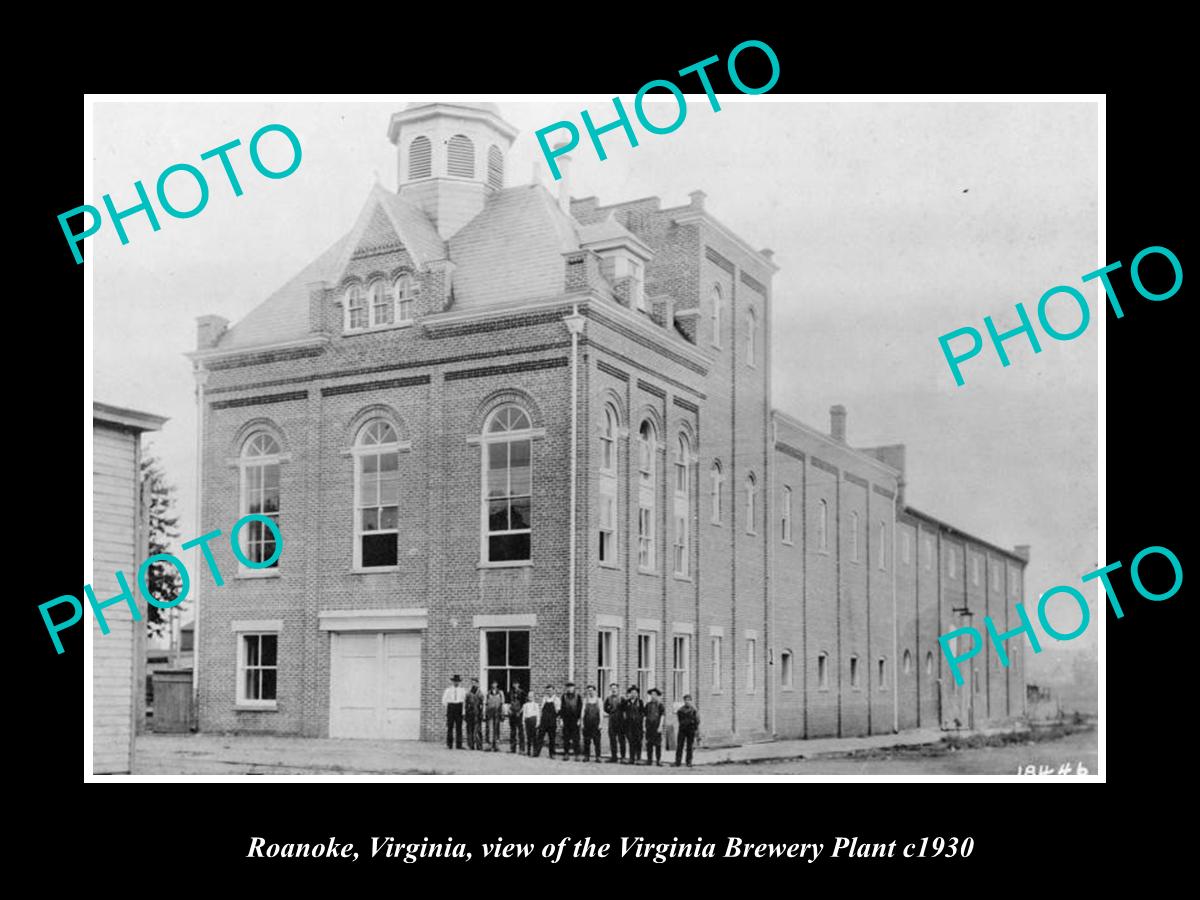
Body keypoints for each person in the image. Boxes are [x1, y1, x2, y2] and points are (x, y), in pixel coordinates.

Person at [674, 694, 700, 768]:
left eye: (689, 700)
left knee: (690, 746)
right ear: (684, 701)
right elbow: (679, 720)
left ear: (691, 701)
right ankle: (678, 761)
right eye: (686, 700)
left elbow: (697, 720)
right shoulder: (680, 710)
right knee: (680, 746)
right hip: (682, 729)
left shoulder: (694, 710)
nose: (687, 701)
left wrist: (695, 729)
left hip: (691, 729)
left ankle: (689, 762)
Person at [559, 682, 583, 761]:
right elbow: (562, 708)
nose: (570, 689)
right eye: (568, 687)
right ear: (566, 688)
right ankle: (566, 754)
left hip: (575, 720)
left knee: (576, 738)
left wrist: (579, 719)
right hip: (566, 720)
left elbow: (580, 708)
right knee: (566, 738)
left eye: (571, 687)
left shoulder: (578, 697)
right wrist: (561, 719)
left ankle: (577, 754)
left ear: (574, 688)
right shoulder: (564, 697)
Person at [536, 684, 561, 759]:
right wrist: (540, 721)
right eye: (547, 691)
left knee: (552, 738)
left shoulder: (557, 699)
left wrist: (557, 723)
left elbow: (558, 712)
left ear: (553, 690)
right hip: (544, 721)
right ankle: (537, 752)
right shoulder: (544, 698)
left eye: (550, 690)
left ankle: (552, 754)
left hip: (552, 721)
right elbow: (541, 710)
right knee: (540, 737)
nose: (548, 692)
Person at [643, 687, 665, 766]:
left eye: (655, 695)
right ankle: (649, 760)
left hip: (656, 727)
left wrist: (660, 726)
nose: (653, 696)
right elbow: (645, 716)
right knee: (649, 744)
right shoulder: (647, 705)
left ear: (657, 696)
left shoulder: (660, 705)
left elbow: (662, 716)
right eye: (652, 694)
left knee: (658, 744)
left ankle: (658, 760)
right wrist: (644, 726)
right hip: (649, 727)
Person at [442, 674, 465, 749]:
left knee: (459, 727)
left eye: (457, 681)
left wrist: (463, 711)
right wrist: (448, 708)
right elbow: (444, 700)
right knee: (450, 726)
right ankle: (449, 744)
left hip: (459, 707)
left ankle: (459, 745)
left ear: (459, 682)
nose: (456, 683)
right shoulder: (448, 690)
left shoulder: (462, 690)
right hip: (451, 707)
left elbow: (464, 701)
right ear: (452, 682)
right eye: (455, 681)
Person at [603, 683, 625, 763]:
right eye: (612, 688)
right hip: (612, 721)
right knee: (612, 739)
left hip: (620, 721)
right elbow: (605, 708)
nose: (613, 690)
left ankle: (623, 757)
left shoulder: (622, 699)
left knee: (621, 739)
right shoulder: (608, 699)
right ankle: (614, 757)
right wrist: (610, 711)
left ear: (618, 689)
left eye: (615, 688)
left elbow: (625, 709)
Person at [623, 685, 645, 765]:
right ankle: (631, 758)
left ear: (638, 694)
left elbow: (643, 714)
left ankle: (638, 758)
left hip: (638, 726)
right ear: (630, 693)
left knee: (638, 741)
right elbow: (623, 713)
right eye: (632, 692)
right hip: (629, 725)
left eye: (635, 692)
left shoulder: (640, 702)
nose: (634, 694)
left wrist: (643, 725)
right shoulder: (626, 702)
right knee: (631, 742)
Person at [581, 685, 603, 762]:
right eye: (589, 690)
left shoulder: (598, 700)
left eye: (591, 690)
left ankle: (598, 756)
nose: (590, 692)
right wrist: (582, 723)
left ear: (595, 691)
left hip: (596, 723)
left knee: (597, 741)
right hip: (587, 723)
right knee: (587, 741)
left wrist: (600, 723)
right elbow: (582, 712)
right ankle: (586, 756)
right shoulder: (585, 700)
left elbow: (601, 713)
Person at [485, 681, 506, 751]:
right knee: (490, 728)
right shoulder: (488, 692)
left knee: (497, 728)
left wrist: (503, 713)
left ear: (497, 684)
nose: (494, 685)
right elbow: (486, 703)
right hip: (490, 713)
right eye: (492, 683)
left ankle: (496, 745)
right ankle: (490, 744)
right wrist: (485, 713)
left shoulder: (500, 692)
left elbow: (502, 703)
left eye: (495, 683)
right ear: (491, 685)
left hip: (497, 712)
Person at [465, 677, 484, 750]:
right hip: (470, 713)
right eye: (472, 682)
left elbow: (482, 704)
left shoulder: (480, 693)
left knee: (478, 730)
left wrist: (481, 713)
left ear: (477, 683)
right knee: (470, 729)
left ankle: (479, 745)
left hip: (477, 713)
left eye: (475, 682)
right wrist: (466, 713)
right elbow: (466, 704)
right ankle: (471, 745)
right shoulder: (468, 693)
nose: (473, 684)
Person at [508, 681, 527, 754]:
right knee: (513, 731)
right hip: (512, 713)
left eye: (516, 684)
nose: (515, 685)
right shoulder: (510, 692)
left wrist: (520, 712)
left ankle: (522, 749)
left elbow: (524, 704)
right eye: (514, 684)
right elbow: (508, 702)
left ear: (518, 684)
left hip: (519, 713)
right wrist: (509, 710)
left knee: (520, 731)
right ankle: (513, 748)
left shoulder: (522, 692)